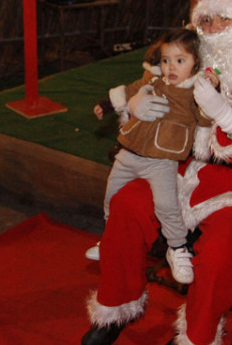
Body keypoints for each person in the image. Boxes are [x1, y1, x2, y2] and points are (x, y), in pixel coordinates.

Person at [80, 0, 232, 345]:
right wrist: (134, 109)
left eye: (224, 20)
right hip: (174, 168)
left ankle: (197, 339)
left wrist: (230, 122)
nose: (213, 30)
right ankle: (118, 305)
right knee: (126, 204)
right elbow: (146, 93)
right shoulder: (187, 61)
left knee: (217, 254)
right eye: (205, 21)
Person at [87, 28, 215, 285]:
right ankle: (110, 239)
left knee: (167, 205)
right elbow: (131, 89)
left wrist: (210, 95)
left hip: (161, 161)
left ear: (195, 63)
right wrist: (107, 103)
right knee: (111, 196)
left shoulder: (194, 93)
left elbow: (205, 118)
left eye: (180, 61)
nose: (171, 67)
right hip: (130, 153)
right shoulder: (155, 82)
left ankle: (177, 248)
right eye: (166, 60)